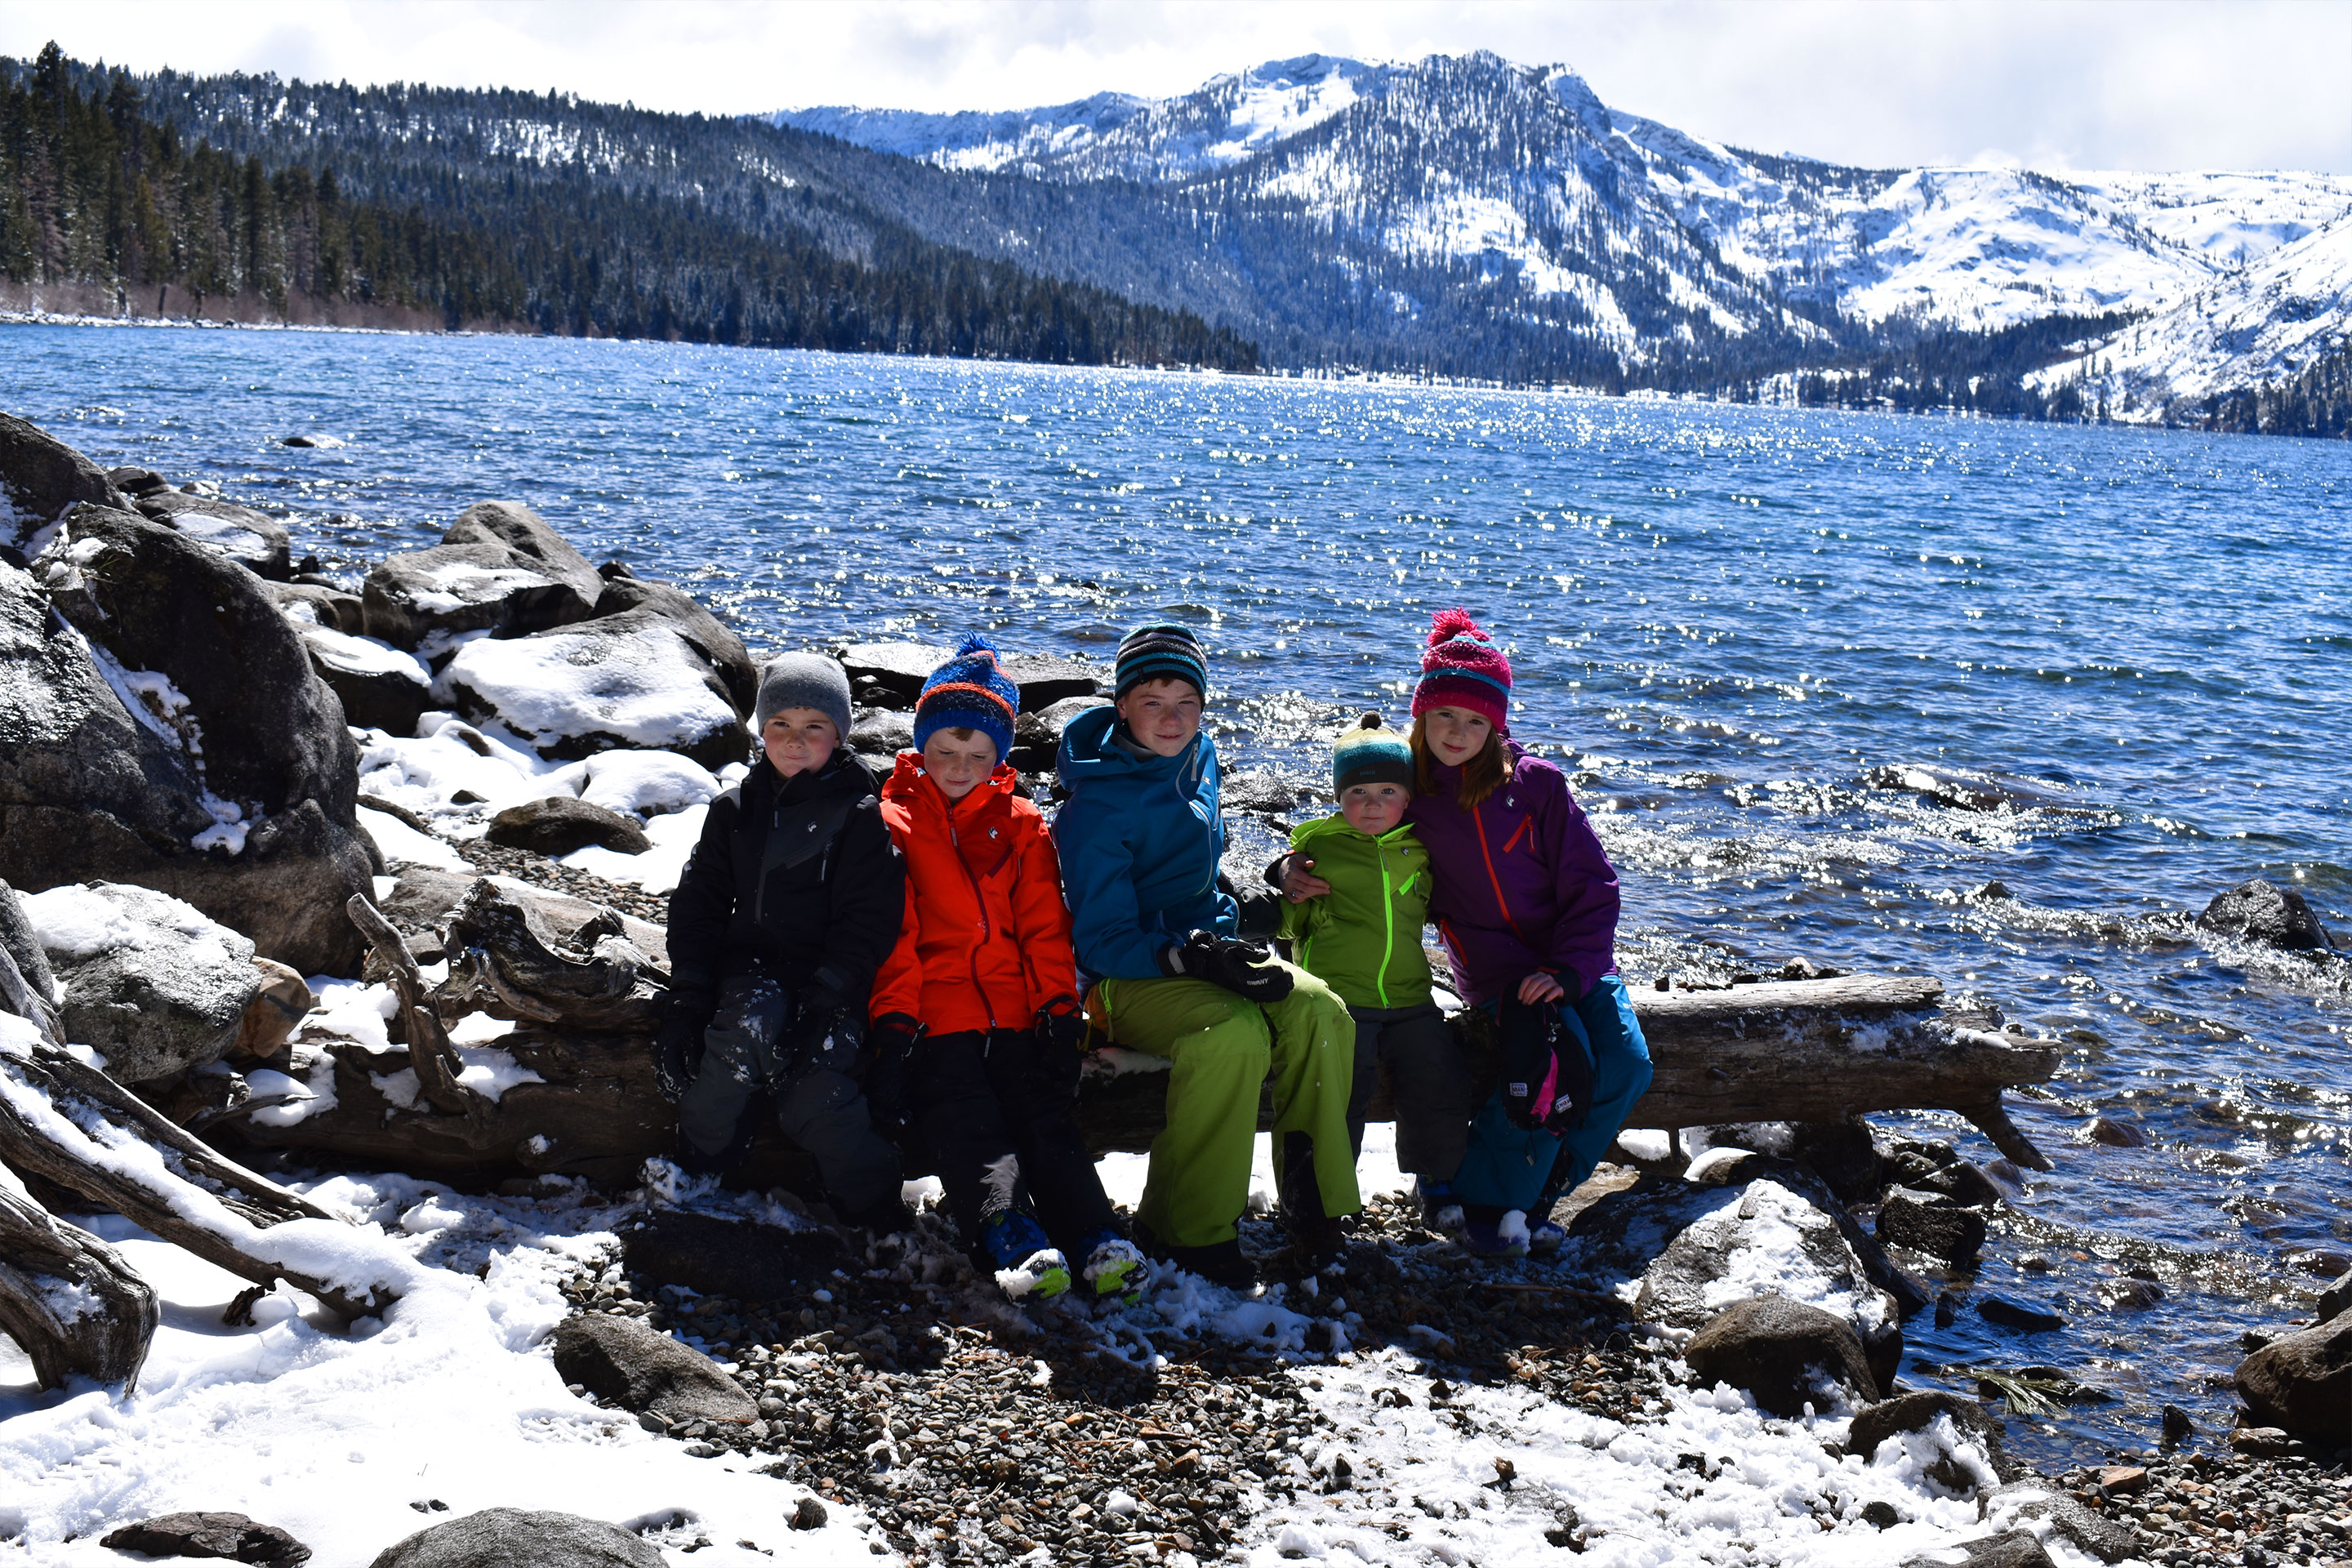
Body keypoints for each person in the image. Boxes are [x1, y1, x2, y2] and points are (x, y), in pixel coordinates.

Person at [1281, 610, 1650, 1258]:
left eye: (1476, 721)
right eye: (1445, 716)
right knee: (1544, 1062)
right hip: (1494, 970)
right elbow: (1344, 829)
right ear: (1421, 715)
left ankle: (1540, 1194)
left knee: (1624, 1063)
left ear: (1497, 724)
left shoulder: (1536, 787)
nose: (1458, 733)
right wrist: (1284, 869)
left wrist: (1571, 968)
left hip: (1573, 958)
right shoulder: (1411, 792)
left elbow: (1594, 885)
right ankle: (1486, 1199)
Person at [1054, 623, 1360, 1284]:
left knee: (1323, 1012)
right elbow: (1099, 940)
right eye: (1153, 701)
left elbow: (1203, 874)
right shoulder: (1096, 806)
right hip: (1122, 978)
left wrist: (1270, 883)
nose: (1172, 718)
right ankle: (1184, 1231)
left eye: (1186, 701)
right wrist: (1189, 957)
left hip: (1206, 952)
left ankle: (1316, 1210)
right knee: (1232, 1034)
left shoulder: (1200, 757)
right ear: (1122, 705)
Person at [862, 635, 1146, 1305]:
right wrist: (895, 1022)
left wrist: (1056, 1012)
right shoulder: (893, 822)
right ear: (921, 746)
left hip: (1016, 1012)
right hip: (939, 1017)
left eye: (977, 755)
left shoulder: (1020, 824)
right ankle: (1011, 1237)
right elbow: (894, 936)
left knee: (1045, 1118)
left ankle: (1095, 1237)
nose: (959, 767)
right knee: (968, 1123)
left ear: (999, 758)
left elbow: (1046, 928)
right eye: (945, 752)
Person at [657, 653, 910, 1235]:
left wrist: (828, 996)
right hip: (750, 971)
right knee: (736, 1038)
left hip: (834, 986)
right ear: (762, 731)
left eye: (814, 726)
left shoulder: (860, 815)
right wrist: (688, 993)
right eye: (781, 726)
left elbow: (868, 920)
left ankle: (875, 1213)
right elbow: (698, 904)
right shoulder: (734, 810)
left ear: (840, 733)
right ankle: (701, 1164)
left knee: (816, 1088)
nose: (796, 741)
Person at [1274, 713, 1473, 1233]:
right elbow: (1288, 918)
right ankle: (1327, 1191)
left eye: (1388, 790)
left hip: (1410, 996)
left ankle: (1437, 1180)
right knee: (1344, 1088)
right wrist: (1287, 884)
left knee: (1439, 1076)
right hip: (1341, 998)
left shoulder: (1420, 849)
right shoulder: (1319, 850)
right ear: (1340, 797)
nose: (1372, 803)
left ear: (1408, 799)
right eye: (1358, 791)